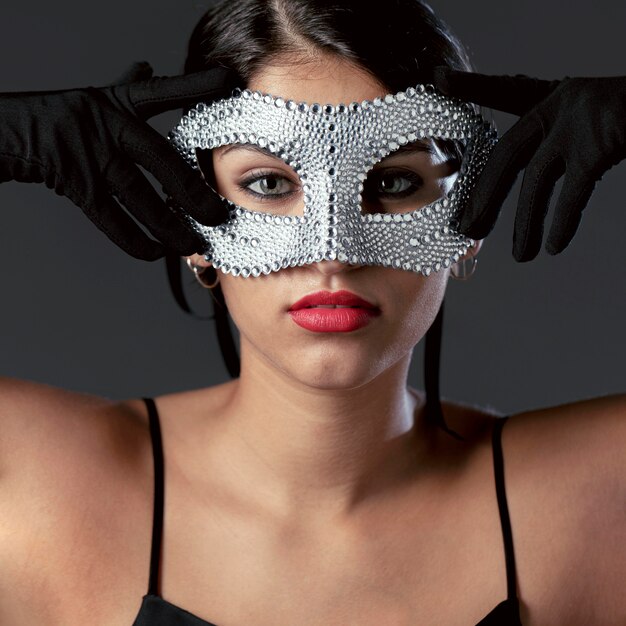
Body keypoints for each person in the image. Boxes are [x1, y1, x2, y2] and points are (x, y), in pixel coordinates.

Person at [0, 1, 624, 625]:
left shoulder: (595, 492)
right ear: (188, 217)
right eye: (269, 184)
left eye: (397, 183)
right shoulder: (40, 480)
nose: (335, 253)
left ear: (470, 222)